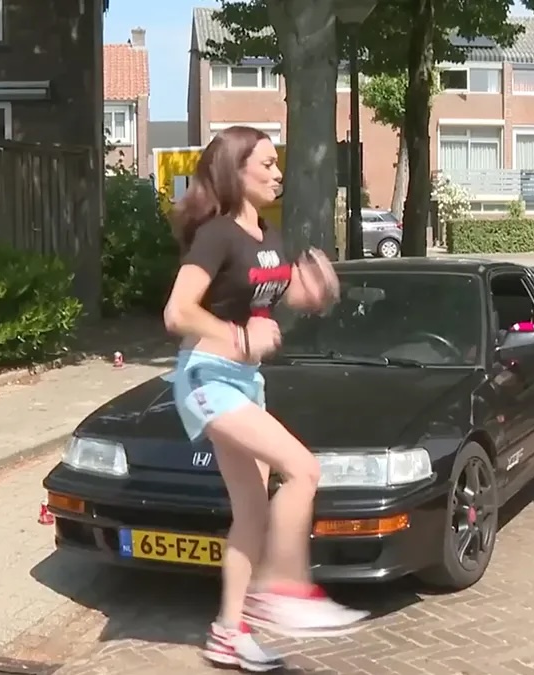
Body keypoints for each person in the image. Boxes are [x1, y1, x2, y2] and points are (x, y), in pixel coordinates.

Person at [162, 125, 366, 671]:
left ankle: (228, 632)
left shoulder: (266, 234)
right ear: (237, 170)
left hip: (246, 382)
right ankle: (283, 586)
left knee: (251, 513)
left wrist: (309, 293)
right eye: (268, 164)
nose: (279, 174)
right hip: (208, 378)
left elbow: (268, 295)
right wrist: (239, 337)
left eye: (278, 165)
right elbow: (178, 313)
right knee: (303, 469)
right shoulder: (217, 235)